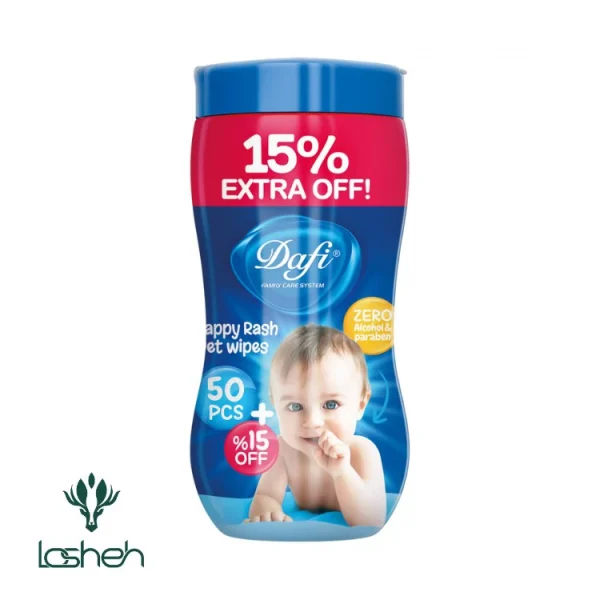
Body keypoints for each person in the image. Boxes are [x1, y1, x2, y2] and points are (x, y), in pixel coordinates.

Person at [245, 324, 386, 527]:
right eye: (295, 406)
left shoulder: (362, 451)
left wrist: (342, 472)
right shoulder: (283, 449)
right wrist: (268, 512)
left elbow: (371, 520)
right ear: (275, 404)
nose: (312, 422)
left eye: (331, 404)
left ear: (360, 405)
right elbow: (266, 496)